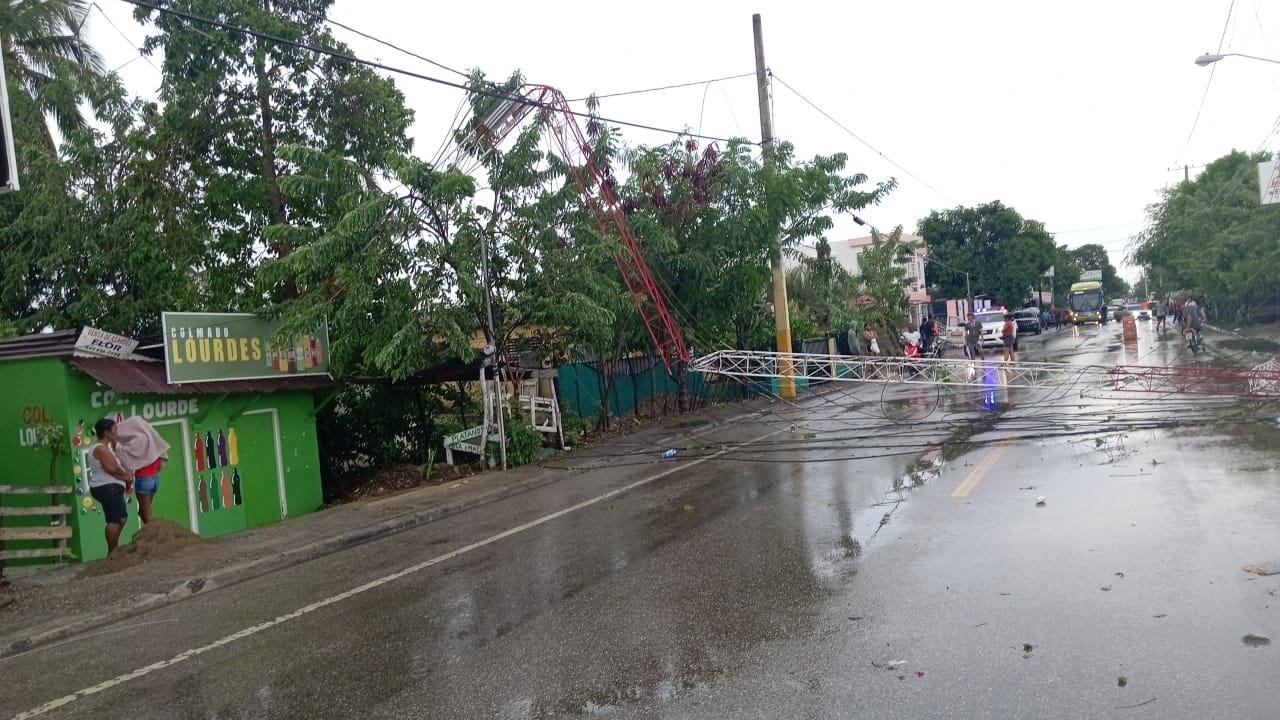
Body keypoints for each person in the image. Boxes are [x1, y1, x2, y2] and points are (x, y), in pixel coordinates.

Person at [113, 416, 170, 525]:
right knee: (143, 512)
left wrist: (116, 444)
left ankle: (155, 536)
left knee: (145, 513)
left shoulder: (139, 440)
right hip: (154, 479)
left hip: (144, 479)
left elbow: (124, 454)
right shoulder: (150, 437)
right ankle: (151, 534)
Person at [88, 418, 133, 555]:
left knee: (122, 518)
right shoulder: (100, 449)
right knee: (114, 520)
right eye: (114, 430)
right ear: (106, 432)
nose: (117, 432)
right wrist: (127, 477)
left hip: (112, 486)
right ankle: (112, 552)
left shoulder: (107, 447)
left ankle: (114, 549)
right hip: (107, 487)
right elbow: (112, 469)